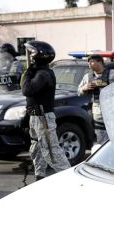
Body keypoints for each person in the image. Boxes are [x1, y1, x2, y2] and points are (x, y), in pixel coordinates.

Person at [21, 40, 70, 180]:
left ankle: (70, 179)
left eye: (33, 52)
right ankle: (40, 177)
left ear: (41, 55)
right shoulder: (38, 71)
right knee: (37, 150)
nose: (30, 55)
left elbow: (27, 90)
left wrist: (28, 72)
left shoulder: (43, 73)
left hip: (43, 119)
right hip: (35, 117)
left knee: (51, 152)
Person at [77, 54, 114, 144]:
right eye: (88, 62)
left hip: (113, 108)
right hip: (97, 109)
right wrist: (84, 88)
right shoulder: (87, 77)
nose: (89, 64)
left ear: (100, 62)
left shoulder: (112, 74)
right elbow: (78, 92)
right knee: (100, 133)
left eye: (92, 62)